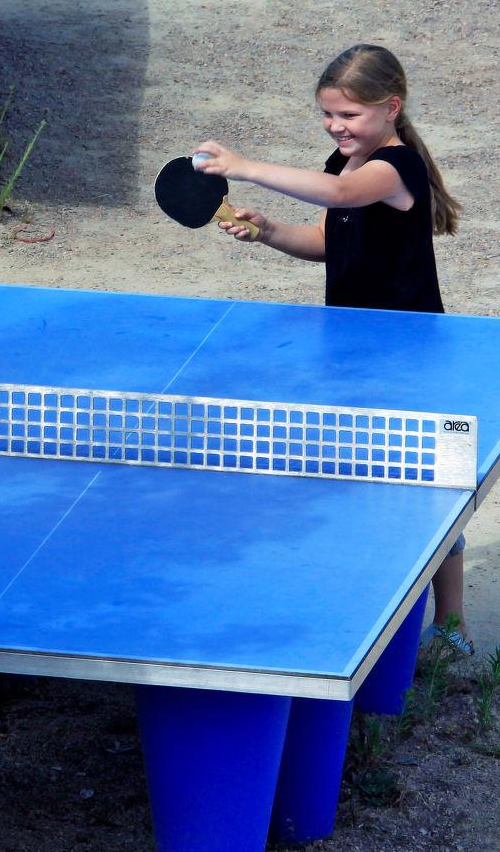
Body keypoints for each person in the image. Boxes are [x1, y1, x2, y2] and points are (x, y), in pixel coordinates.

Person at [192, 42, 472, 655]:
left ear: (390, 108)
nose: (336, 127)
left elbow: (339, 198)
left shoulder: (395, 168)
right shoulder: (344, 164)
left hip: (407, 353)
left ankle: (450, 627)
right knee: (356, 477)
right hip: (350, 350)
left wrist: (244, 164)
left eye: (349, 116)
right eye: (328, 115)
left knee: (431, 486)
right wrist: (266, 230)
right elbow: (327, 238)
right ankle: (371, 595)